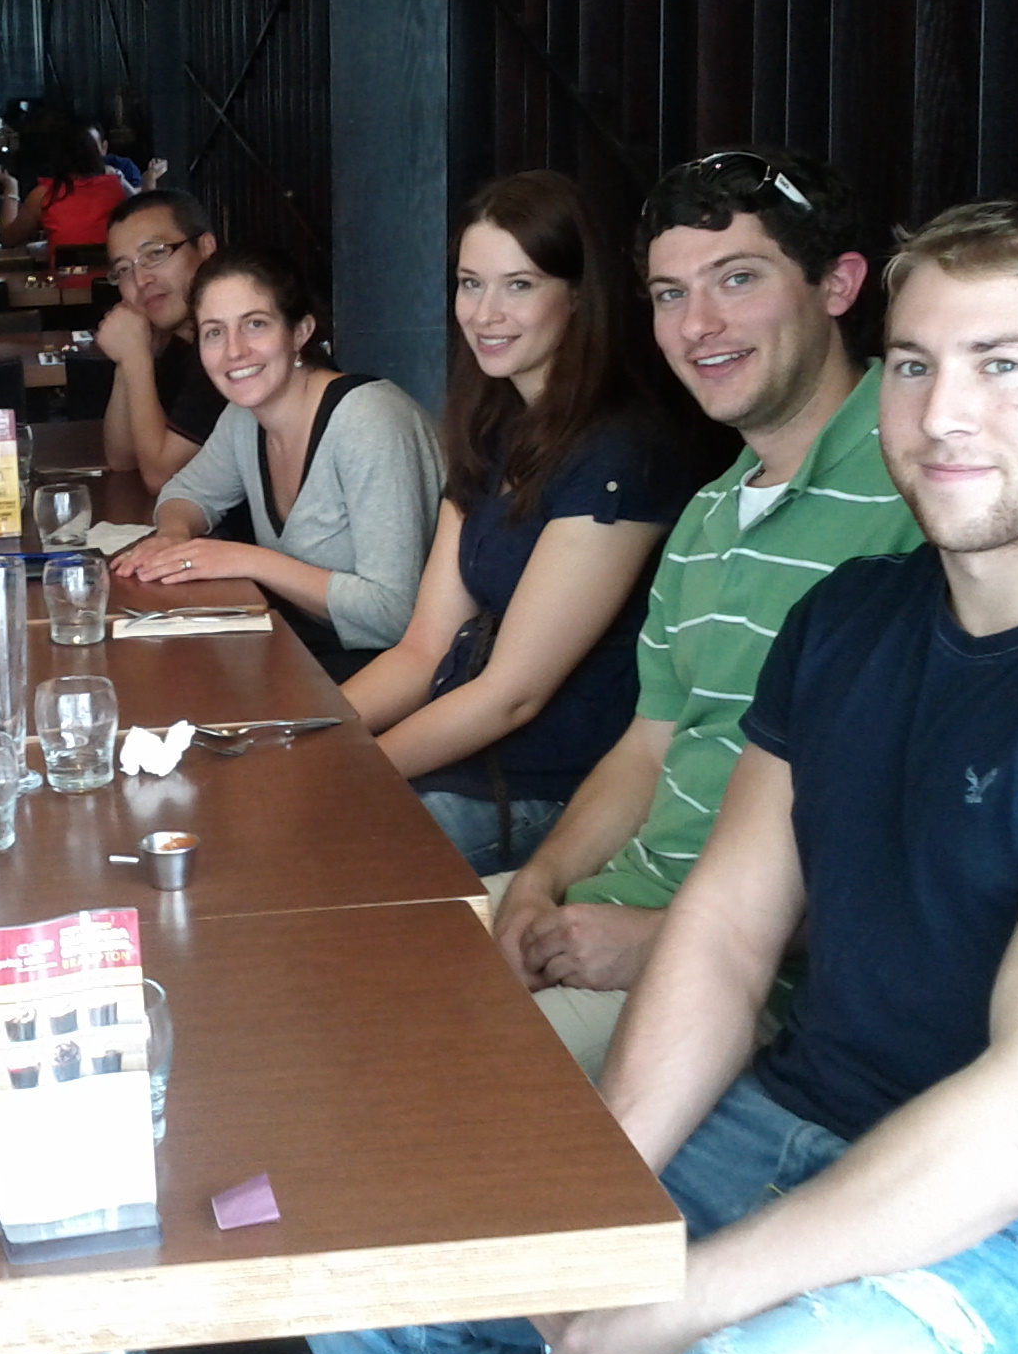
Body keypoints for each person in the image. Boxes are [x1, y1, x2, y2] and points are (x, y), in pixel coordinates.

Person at [312, 199, 1018, 1354]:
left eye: (1001, 363)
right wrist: (604, 1207)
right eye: (914, 364)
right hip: (794, 1125)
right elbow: (725, 934)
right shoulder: (847, 620)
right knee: (383, 1288)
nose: (942, 413)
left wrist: (692, 1293)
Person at [488, 149, 923, 1074]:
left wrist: (662, 941)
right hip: (618, 907)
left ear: (839, 284)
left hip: (760, 983)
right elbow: (649, 749)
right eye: (669, 293)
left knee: (415, 1077)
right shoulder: (708, 513)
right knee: (329, 968)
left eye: (738, 279)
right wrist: (538, 882)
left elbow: (936, 859)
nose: (698, 324)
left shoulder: (924, 488)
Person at [340, 173, 692, 875]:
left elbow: (512, 696)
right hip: (462, 761)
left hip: (547, 794)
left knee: (316, 851)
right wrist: (303, 737)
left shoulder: (619, 450)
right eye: (471, 284)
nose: (485, 313)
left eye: (519, 285)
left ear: (578, 296)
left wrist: (345, 775)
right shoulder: (493, 425)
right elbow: (423, 648)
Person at [114, 247, 442, 680]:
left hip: (400, 674)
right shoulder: (244, 418)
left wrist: (246, 560)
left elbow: (393, 614)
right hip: (310, 648)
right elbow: (186, 491)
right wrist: (174, 536)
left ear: (300, 331)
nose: (234, 351)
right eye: (214, 332)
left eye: (255, 324)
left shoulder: (369, 421)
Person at [97, 189, 228, 491]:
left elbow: (162, 477)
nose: (140, 280)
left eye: (155, 254)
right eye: (123, 269)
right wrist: (129, 354)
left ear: (206, 248)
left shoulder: (228, 346)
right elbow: (123, 459)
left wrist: (134, 357)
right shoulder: (179, 344)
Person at [0, 111, 129, 257]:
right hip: (110, 271)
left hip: (64, 271)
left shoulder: (44, 195)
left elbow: (8, 238)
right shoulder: (116, 188)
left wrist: (10, 185)